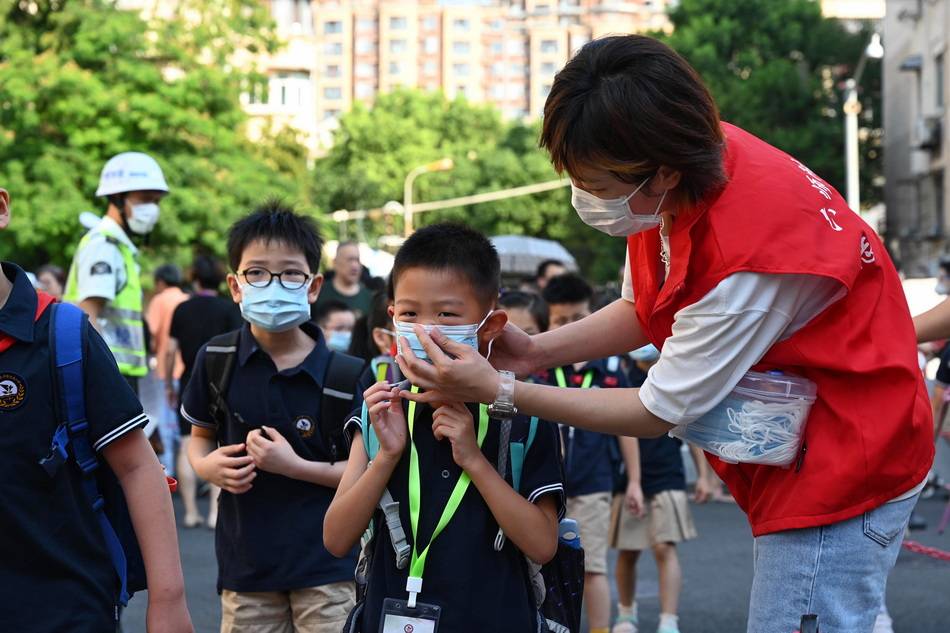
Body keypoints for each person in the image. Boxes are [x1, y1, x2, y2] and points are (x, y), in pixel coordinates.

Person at [393, 35, 934, 632]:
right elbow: (643, 308)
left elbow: (658, 408)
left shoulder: (750, 258)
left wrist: (500, 389)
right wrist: (535, 351)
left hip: (849, 461)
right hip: (803, 446)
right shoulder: (676, 175)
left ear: (663, 171)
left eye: (597, 185)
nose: (588, 199)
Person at [323, 223, 564, 633]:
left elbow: (543, 544)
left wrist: (473, 459)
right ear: (391, 317)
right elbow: (336, 538)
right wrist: (387, 455)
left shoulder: (525, 412)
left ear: (489, 325)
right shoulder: (379, 407)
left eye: (447, 315)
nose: (425, 330)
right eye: (410, 314)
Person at [0, 187, 192, 633]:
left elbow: (138, 468)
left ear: (3, 208)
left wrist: (168, 600)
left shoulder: (62, 335)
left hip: (65, 607)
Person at [182, 202, 357, 633]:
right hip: (246, 571)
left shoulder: (346, 373)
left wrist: (293, 467)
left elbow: (364, 472)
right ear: (235, 286)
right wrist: (207, 466)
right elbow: (199, 438)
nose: (273, 284)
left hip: (328, 568)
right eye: (257, 272)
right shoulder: (217, 359)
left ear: (314, 286)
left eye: (291, 273)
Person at [536, 273, 629, 633]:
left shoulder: (609, 366)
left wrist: (633, 482)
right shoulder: (540, 367)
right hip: (544, 487)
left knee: (593, 568)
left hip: (593, 483)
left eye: (579, 319)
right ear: (548, 321)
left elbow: (627, 426)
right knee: (543, 568)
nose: (570, 327)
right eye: (561, 321)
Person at [612, 344, 710, 633]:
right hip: (629, 477)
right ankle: (626, 613)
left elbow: (690, 429)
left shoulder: (674, 377)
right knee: (629, 550)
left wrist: (704, 475)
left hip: (668, 472)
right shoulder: (622, 376)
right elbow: (622, 429)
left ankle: (669, 620)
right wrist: (634, 481)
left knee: (664, 547)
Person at [64, 152, 169, 394]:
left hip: (118, 372)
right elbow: (87, 312)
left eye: (156, 201)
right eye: (145, 199)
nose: (152, 208)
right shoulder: (104, 245)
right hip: (109, 375)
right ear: (117, 198)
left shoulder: (119, 247)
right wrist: (105, 374)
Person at [167, 254, 243, 529]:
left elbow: (170, 349)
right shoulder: (227, 309)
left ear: (195, 279)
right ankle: (213, 511)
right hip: (224, 380)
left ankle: (189, 512)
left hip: (189, 378)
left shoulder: (182, 309)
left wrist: (167, 382)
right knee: (220, 444)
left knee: (188, 443)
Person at [146, 264, 189, 474]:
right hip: (187, 370)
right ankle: (187, 470)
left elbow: (151, 334)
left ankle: (168, 474)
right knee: (182, 426)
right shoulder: (187, 300)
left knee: (164, 426)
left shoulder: (159, 300)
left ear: (161, 282)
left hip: (165, 370)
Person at [312, 241, 373, 317]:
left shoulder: (369, 297)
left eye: (357, 260)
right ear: (335, 263)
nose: (355, 265)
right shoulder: (318, 293)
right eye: (349, 260)